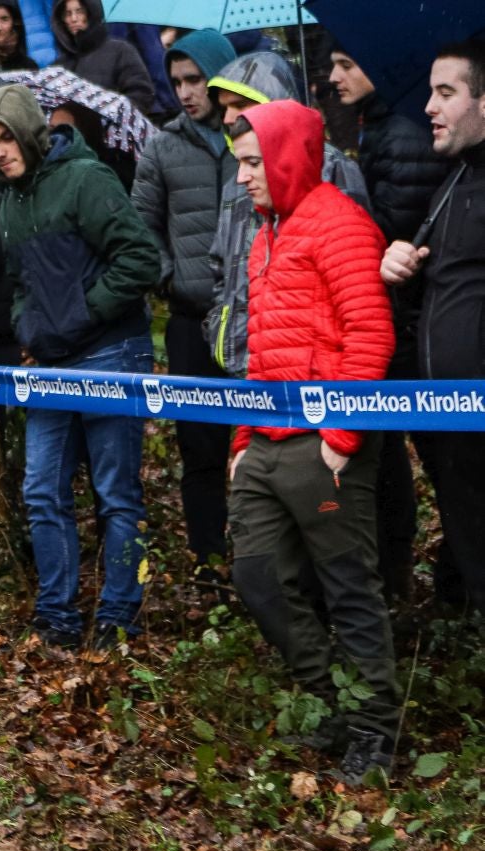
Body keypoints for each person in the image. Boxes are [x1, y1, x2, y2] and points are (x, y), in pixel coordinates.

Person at [226, 100, 400, 785]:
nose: (241, 179)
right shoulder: (263, 232)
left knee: (348, 585)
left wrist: (340, 438)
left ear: (284, 158)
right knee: (256, 575)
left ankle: (373, 730)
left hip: (324, 446)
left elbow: (369, 335)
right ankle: (327, 704)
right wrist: (242, 438)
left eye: (249, 164)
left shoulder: (340, 225)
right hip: (265, 442)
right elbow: (258, 353)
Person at [0, 83, 161, 650]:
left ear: (30, 131)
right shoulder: (10, 201)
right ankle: (57, 614)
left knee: (116, 493)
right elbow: (23, 286)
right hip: (52, 362)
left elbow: (141, 259)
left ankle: (118, 617)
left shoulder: (86, 179)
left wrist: (82, 315)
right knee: (42, 490)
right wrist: (32, 329)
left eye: (6, 137)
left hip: (112, 351)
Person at [328, 47, 454, 610]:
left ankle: (448, 586)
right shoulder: (380, 126)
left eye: (347, 63)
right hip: (404, 321)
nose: (334, 76)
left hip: (407, 321)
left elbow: (387, 231)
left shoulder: (402, 134)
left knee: (439, 461)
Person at [379, 38, 485, 617]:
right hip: (450, 433)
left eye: (446, 92)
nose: (429, 107)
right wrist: (402, 265)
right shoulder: (449, 184)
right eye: (430, 91)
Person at [130, 29, 237, 589]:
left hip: (256, 321)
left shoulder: (252, 137)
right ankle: (209, 558)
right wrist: (173, 279)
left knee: (264, 440)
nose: (185, 92)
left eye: (195, 80)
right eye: (176, 82)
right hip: (192, 322)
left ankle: (265, 556)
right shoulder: (162, 146)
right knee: (199, 446)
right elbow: (141, 229)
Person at [204, 51, 370, 377]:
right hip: (247, 370)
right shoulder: (237, 178)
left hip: (309, 383)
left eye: (239, 105)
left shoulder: (333, 168)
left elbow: (358, 284)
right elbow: (220, 267)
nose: (227, 117)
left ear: (275, 102)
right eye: (224, 107)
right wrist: (220, 326)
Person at [50, 0, 155, 114]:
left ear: (92, 12)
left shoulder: (120, 51)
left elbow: (141, 94)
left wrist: (111, 117)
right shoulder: (58, 66)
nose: (73, 19)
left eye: (80, 11)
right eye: (67, 14)